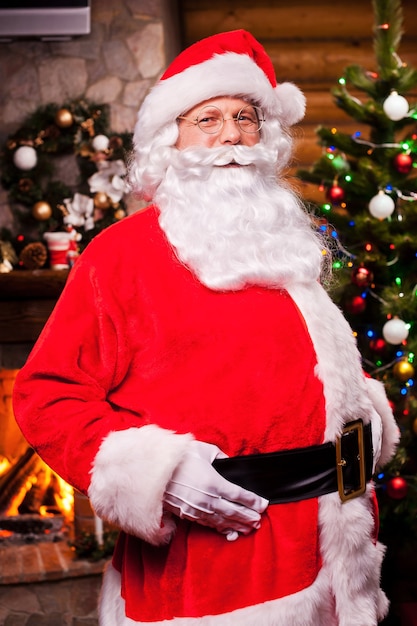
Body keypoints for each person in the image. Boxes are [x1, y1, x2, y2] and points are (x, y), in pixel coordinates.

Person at [13, 30, 399, 626]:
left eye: (245, 117)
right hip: (212, 569)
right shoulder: (119, 256)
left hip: (332, 548)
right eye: (208, 119)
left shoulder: (285, 240)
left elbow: (304, 363)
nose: (232, 138)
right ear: (170, 142)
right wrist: (156, 476)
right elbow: (47, 395)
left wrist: (360, 412)